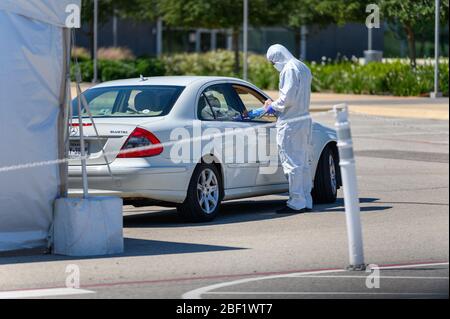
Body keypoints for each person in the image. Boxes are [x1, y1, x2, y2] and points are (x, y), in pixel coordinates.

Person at [264, 44, 313, 214]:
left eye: (272, 62)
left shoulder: (289, 69)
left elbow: (287, 99)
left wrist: (271, 106)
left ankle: (296, 202)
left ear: (277, 57)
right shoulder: (302, 66)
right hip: (303, 120)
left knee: (291, 163)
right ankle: (306, 199)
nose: (273, 65)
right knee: (302, 162)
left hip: (291, 123)